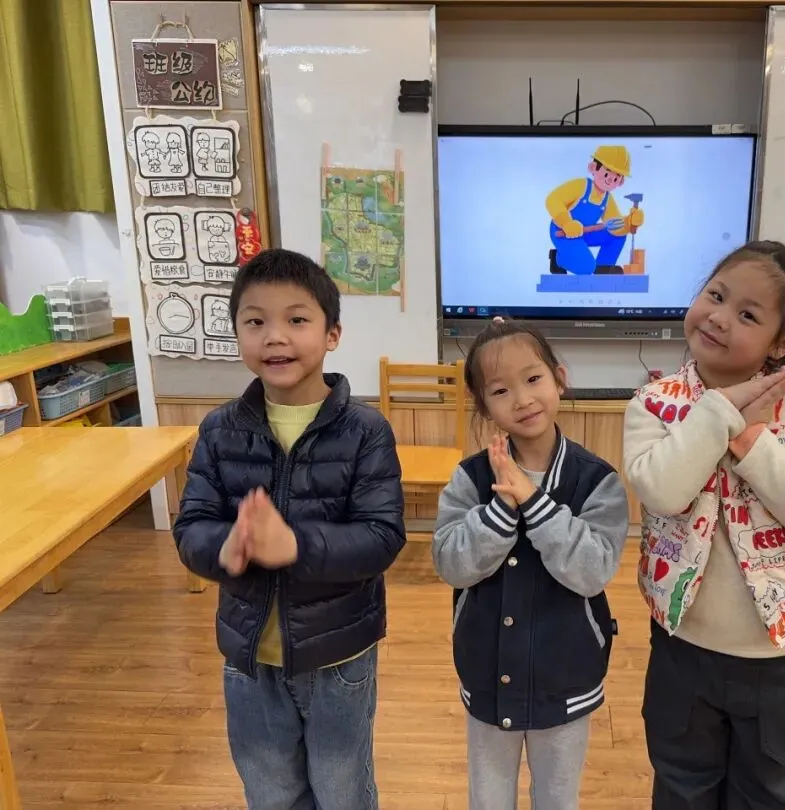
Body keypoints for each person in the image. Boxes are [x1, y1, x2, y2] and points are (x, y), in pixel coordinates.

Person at [623, 241, 785, 810]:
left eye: (748, 315)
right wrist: (720, 414)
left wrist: (750, 440)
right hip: (685, 646)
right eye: (716, 295)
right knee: (682, 786)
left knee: (768, 793)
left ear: (783, 343)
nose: (719, 318)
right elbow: (662, 490)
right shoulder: (654, 404)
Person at [173, 248, 406, 810]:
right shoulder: (219, 430)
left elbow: (381, 536)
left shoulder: (365, 431)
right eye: (255, 322)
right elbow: (191, 527)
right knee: (270, 789)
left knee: (342, 788)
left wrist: (294, 546)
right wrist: (224, 547)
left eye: (297, 319)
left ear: (332, 334)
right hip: (249, 657)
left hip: (338, 654)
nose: (275, 336)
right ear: (237, 334)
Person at [432, 318, 630, 810]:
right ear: (484, 405)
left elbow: (592, 571)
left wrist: (534, 502)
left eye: (533, 378)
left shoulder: (597, 480)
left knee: (557, 799)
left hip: (567, 678)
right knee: (488, 800)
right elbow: (451, 564)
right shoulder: (470, 478)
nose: (521, 399)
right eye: (501, 390)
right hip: (487, 672)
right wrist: (503, 507)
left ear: (559, 379)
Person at [545, 145, 645, 275]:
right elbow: (553, 199)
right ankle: (558, 259)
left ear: (620, 182)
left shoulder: (607, 198)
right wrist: (566, 223)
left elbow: (615, 224)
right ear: (593, 168)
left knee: (618, 235)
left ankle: (603, 267)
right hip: (563, 232)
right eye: (607, 173)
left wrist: (629, 222)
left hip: (585, 233)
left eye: (616, 177)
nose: (610, 179)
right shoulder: (581, 186)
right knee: (586, 268)